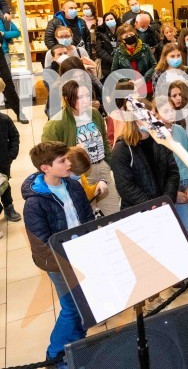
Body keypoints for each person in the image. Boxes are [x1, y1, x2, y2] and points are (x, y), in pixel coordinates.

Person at [24, 142, 95, 364]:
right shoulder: (34, 204)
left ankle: (76, 345)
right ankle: (55, 355)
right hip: (59, 264)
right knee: (71, 308)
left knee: (84, 306)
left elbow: (87, 217)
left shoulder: (73, 186)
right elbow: (42, 245)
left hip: (82, 255)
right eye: (62, 161)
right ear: (45, 168)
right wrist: (68, 262)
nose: (69, 163)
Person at [42, 79, 113, 209]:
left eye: (87, 95)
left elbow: (104, 140)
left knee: (113, 212)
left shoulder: (95, 113)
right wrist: (72, 151)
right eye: (80, 97)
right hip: (80, 174)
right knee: (88, 214)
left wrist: (109, 163)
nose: (86, 100)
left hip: (102, 167)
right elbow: (47, 155)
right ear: (67, 98)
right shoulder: (56, 123)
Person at [111, 99, 179, 209]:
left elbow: (172, 171)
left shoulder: (161, 140)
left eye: (152, 116)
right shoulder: (122, 149)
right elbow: (125, 187)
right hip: (138, 212)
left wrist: (167, 198)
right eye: (146, 117)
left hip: (164, 206)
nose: (151, 120)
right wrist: (151, 205)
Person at [153, 102, 188, 228]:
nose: (171, 113)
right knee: (172, 227)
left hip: (186, 182)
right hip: (169, 186)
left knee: (185, 226)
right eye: (166, 111)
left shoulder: (179, 130)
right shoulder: (155, 136)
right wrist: (172, 193)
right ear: (156, 114)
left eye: (172, 110)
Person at [111, 24, 157, 91]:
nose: (129, 37)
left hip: (146, 84)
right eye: (126, 36)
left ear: (135, 35)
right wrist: (127, 81)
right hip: (128, 87)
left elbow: (154, 66)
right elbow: (114, 71)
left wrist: (143, 79)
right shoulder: (118, 52)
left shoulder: (145, 48)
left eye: (131, 34)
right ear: (123, 40)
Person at [0, 89, 21, 222]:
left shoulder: (4, 120)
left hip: (3, 161)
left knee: (5, 186)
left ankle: (9, 207)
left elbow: (14, 136)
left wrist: (11, 155)